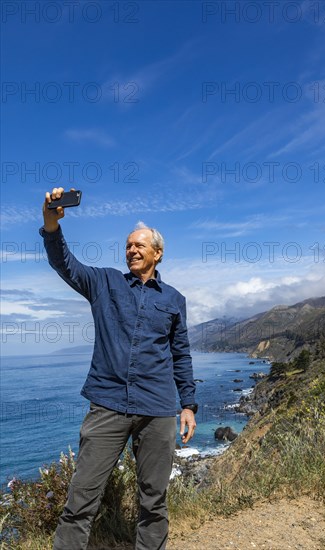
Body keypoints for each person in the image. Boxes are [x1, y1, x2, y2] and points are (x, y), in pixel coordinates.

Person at [40, 187, 197, 550]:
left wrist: (188, 404)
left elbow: (181, 353)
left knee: (153, 501)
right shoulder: (104, 283)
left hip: (157, 409)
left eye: (140, 245)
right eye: (128, 245)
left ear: (158, 253)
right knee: (80, 500)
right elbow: (65, 263)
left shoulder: (174, 300)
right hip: (107, 404)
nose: (131, 250)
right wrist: (51, 224)